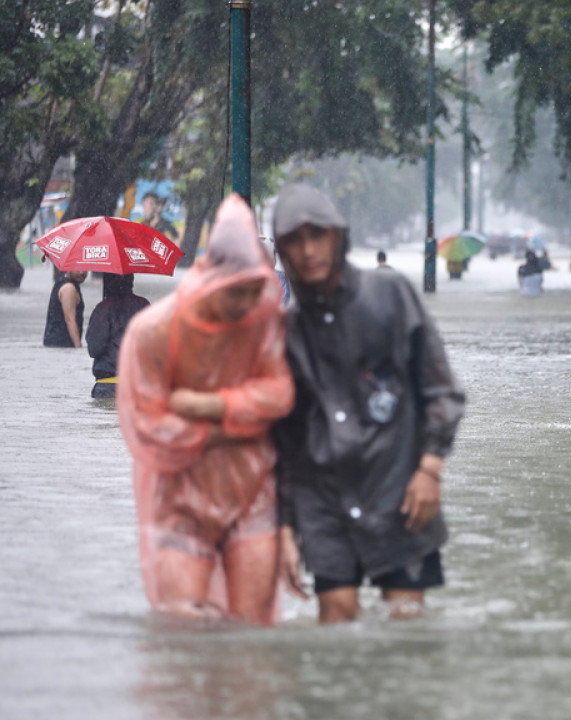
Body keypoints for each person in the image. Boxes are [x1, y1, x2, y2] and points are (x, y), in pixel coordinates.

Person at [270, 183, 465, 624]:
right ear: (281, 253)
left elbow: (441, 389)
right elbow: (288, 439)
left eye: (316, 235)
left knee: (406, 621)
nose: (308, 250)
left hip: (398, 486)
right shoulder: (289, 330)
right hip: (324, 500)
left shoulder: (390, 294)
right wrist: (284, 527)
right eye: (293, 241)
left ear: (338, 237)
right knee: (335, 622)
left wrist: (430, 468)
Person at [116, 195, 294, 625]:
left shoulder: (262, 325)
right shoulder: (154, 331)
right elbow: (148, 426)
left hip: (251, 493)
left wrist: (204, 405)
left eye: (255, 292)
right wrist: (236, 428)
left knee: (253, 630)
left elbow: (281, 395)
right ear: (213, 278)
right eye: (236, 293)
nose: (245, 306)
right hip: (177, 498)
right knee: (182, 624)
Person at [86, 273, 150, 398]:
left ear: (107, 281)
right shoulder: (144, 305)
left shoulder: (103, 308)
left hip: (108, 387)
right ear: (131, 280)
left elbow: (94, 349)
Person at [43, 269, 86, 348]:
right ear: (68, 268)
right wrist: (78, 346)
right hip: (61, 345)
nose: (82, 272)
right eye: (77, 268)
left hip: (54, 344)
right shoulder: (69, 288)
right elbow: (70, 320)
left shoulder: (64, 283)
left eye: (85, 268)